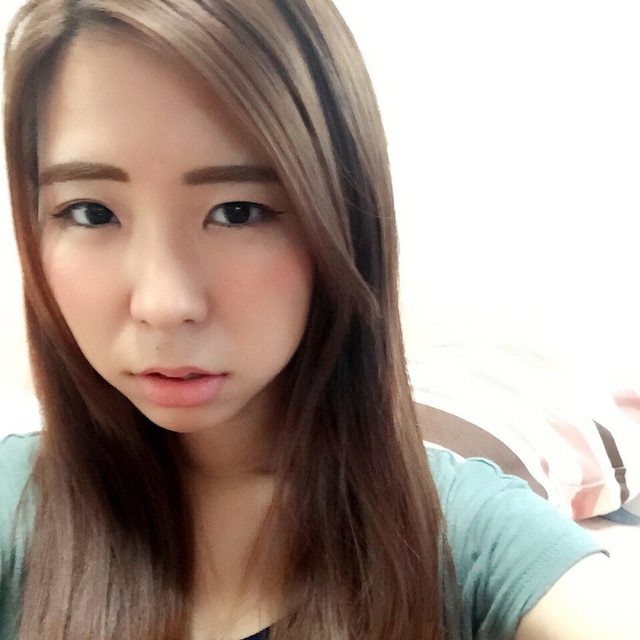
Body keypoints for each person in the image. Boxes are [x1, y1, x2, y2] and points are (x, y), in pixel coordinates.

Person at [0, 1, 636, 639]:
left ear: (343, 220)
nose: (164, 304)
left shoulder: (467, 537)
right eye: (90, 212)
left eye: (239, 211)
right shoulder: (15, 507)